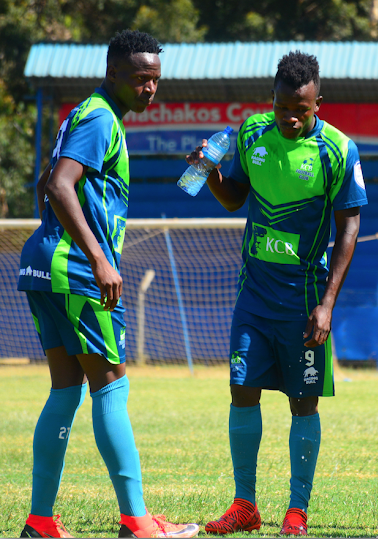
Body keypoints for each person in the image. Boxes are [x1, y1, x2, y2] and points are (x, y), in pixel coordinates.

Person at [17, 30, 199, 539]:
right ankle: (137, 522)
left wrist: (56, 240)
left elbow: (44, 184)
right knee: (112, 385)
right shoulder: (99, 116)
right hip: (73, 270)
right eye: (141, 79)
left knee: (65, 389)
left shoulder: (87, 113)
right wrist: (96, 257)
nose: (150, 90)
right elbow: (58, 185)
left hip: (43, 266)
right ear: (113, 72)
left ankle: (39, 521)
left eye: (156, 80)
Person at [189, 51, 367, 537]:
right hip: (254, 294)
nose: (289, 117)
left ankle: (296, 509)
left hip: (304, 299)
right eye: (282, 107)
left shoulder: (338, 150)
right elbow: (235, 199)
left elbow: (349, 224)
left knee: (302, 402)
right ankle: (244, 505)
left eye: (301, 109)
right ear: (272, 99)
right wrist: (210, 174)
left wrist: (327, 303)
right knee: (241, 390)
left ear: (318, 104)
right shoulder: (250, 133)